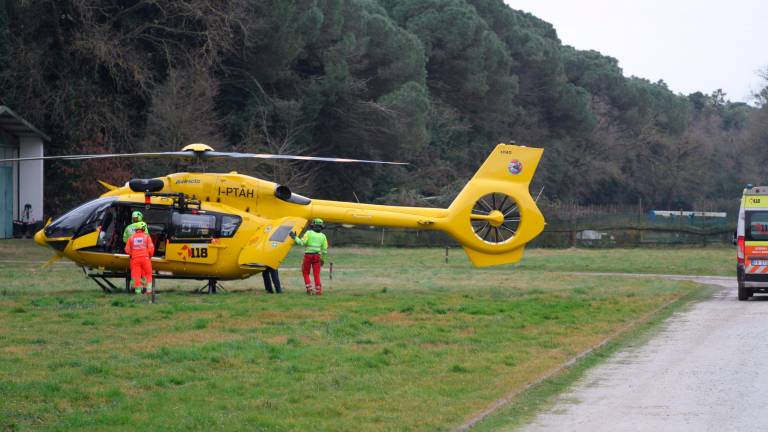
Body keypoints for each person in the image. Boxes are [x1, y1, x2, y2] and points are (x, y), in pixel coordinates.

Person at [289, 218, 328, 295]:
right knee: (316, 274)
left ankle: (309, 289)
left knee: (306, 273)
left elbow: (301, 243)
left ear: (313, 225)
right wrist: (322, 259)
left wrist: (294, 237)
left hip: (308, 256)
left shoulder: (309, 233)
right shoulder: (323, 236)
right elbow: (324, 250)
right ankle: (318, 291)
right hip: (317, 256)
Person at [124, 222, 155, 295]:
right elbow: (151, 248)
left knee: (136, 276)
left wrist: (132, 254)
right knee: (148, 274)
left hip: (135, 259)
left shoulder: (131, 238)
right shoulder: (147, 237)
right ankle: (148, 291)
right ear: (144, 229)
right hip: (145, 259)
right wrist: (150, 256)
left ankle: (138, 291)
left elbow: (127, 250)